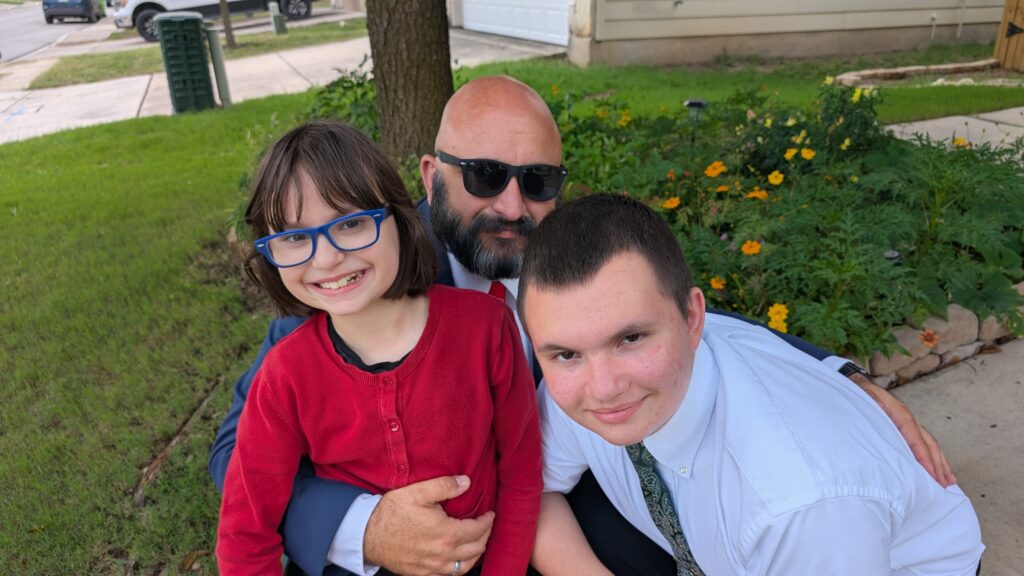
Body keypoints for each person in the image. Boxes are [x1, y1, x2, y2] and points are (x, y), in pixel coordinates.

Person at [208, 76, 954, 575]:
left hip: (546, 494)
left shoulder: (560, 251)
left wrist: (841, 378)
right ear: (433, 176)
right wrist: (367, 528)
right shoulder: (362, 281)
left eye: (538, 181)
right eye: (484, 176)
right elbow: (234, 454)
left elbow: (667, 312)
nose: (512, 205)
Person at [524, 194, 984, 575]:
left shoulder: (800, 503)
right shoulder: (589, 385)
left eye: (630, 339)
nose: (603, 388)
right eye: (565, 354)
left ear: (693, 318)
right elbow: (530, 490)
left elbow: (806, 517)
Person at [215, 121, 542, 575]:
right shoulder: (285, 373)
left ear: (399, 218)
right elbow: (245, 533)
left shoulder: (486, 328)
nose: (327, 258)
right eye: (294, 238)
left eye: (351, 223)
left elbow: (522, 475)